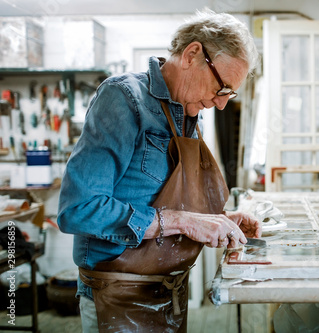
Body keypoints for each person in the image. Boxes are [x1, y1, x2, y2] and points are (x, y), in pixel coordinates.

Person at [57, 9, 261, 332]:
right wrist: (181, 221)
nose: (221, 104)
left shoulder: (191, 117)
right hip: (118, 297)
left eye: (229, 94)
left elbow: (174, 202)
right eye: (221, 88)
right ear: (192, 54)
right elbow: (77, 209)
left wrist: (220, 219)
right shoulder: (124, 99)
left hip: (169, 296)